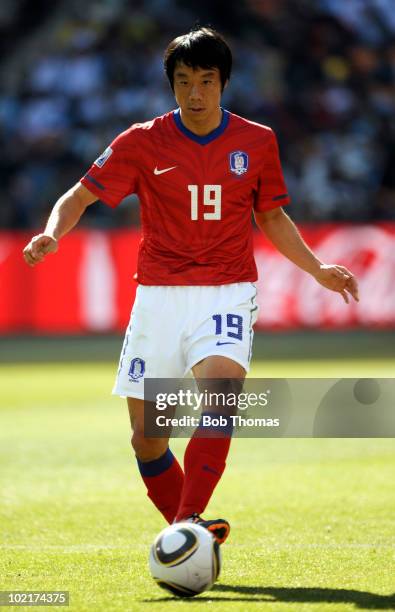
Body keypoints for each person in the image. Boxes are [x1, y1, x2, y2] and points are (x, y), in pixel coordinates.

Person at [23, 27, 359, 545]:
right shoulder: (140, 141)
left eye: (206, 80)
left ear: (224, 82)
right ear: (171, 86)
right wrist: (51, 232)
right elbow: (79, 196)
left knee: (220, 402)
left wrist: (317, 269)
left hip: (227, 291)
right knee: (147, 439)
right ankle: (189, 531)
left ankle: (185, 535)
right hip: (158, 298)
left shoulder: (257, 141)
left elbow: (271, 217)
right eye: (184, 82)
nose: (195, 93)